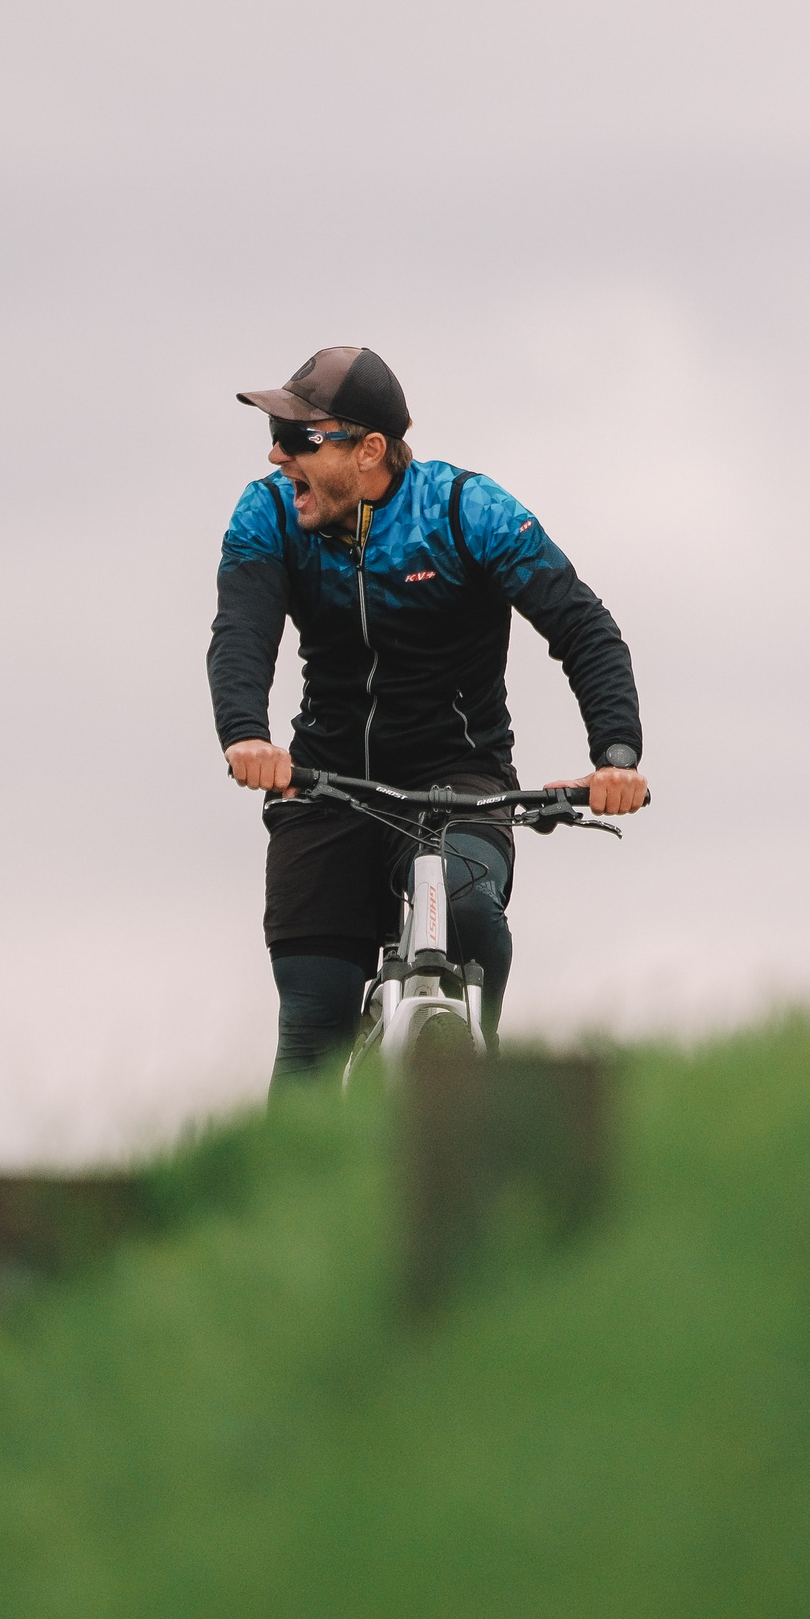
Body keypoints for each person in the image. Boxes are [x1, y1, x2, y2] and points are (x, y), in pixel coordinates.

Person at [208, 345, 646, 1083]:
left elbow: (583, 628)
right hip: (326, 781)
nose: (280, 456)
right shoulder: (270, 512)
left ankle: (477, 1078)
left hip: (459, 774)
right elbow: (242, 632)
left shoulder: (464, 511)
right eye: (275, 439)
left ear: (369, 449)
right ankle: (302, 1192)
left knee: (471, 914)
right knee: (313, 1025)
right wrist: (247, 735)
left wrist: (617, 756)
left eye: (300, 440)